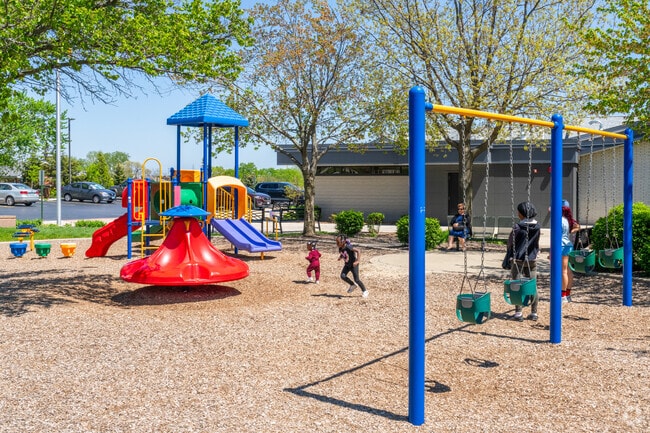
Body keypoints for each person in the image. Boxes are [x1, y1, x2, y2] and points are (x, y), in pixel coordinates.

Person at [507, 201, 541, 321]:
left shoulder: (518, 227)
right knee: (533, 286)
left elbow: (511, 242)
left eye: (519, 212)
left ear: (522, 214)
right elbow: (536, 242)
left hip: (518, 260)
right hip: (532, 260)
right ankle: (534, 313)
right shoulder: (537, 226)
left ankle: (518, 313)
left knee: (517, 285)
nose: (517, 213)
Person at [561, 200, 580, 303]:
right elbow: (578, 226)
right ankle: (567, 294)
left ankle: (562, 295)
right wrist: (571, 231)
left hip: (560, 245)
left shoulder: (559, 219)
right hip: (568, 244)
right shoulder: (569, 220)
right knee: (568, 271)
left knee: (563, 271)